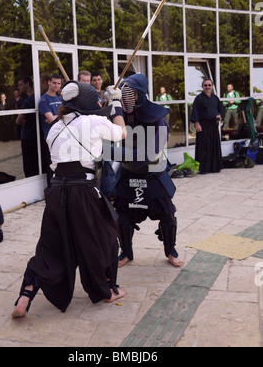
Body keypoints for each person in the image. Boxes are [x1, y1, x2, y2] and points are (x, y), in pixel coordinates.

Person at [12, 80, 127, 318]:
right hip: (82, 191)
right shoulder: (94, 122)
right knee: (104, 237)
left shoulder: (55, 126)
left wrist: (101, 105)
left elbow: (82, 125)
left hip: (56, 191)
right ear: (86, 102)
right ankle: (106, 290)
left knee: (50, 247)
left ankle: (25, 295)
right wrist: (115, 104)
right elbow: (121, 132)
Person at [110, 73, 183, 269]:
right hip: (128, 173)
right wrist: (108, 103)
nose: (126, 98)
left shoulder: (157, 120)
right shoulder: (119, 115)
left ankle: (170, 250)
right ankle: (126, 251)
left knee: (167, 215)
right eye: (123, 94)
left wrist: (115, 152)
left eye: (130, 93)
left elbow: (147, 155)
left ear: (140, 94)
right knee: (123, 217)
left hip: (152, 174)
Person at [190, 79, 224, 174]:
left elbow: (221, 109)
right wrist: (197, 123)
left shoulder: (215, 98)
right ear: (202, 87)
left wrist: (219, 115)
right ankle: (204, 168)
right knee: (204, 146)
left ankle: (215, 167)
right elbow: (195, 111)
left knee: (214, 145)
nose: (207, 87)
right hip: (203, 125)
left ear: (212, 86)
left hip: (213, 125)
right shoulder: (199, 98)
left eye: (209, 85)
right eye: (205, 85)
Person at [39, 74, 63, 185]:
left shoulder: (60, 98)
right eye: (54, 82)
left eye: (59, 83)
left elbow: (56, 118)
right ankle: (51, 191)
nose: (56, 85)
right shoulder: (43, 100)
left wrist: (55, 116)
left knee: (61, 165)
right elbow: (51, 120)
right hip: (51, 138)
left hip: (62, 137)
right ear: (49, 82)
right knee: (51, 166)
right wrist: (61, 115)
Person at [16, 76, 39, 178]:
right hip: (36, 136)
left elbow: (18, 120)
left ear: (28, 84)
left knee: (29, 168)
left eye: (20, 84)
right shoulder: (38, 97)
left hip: (28, 137)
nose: (18, 87)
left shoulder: (29, 101)